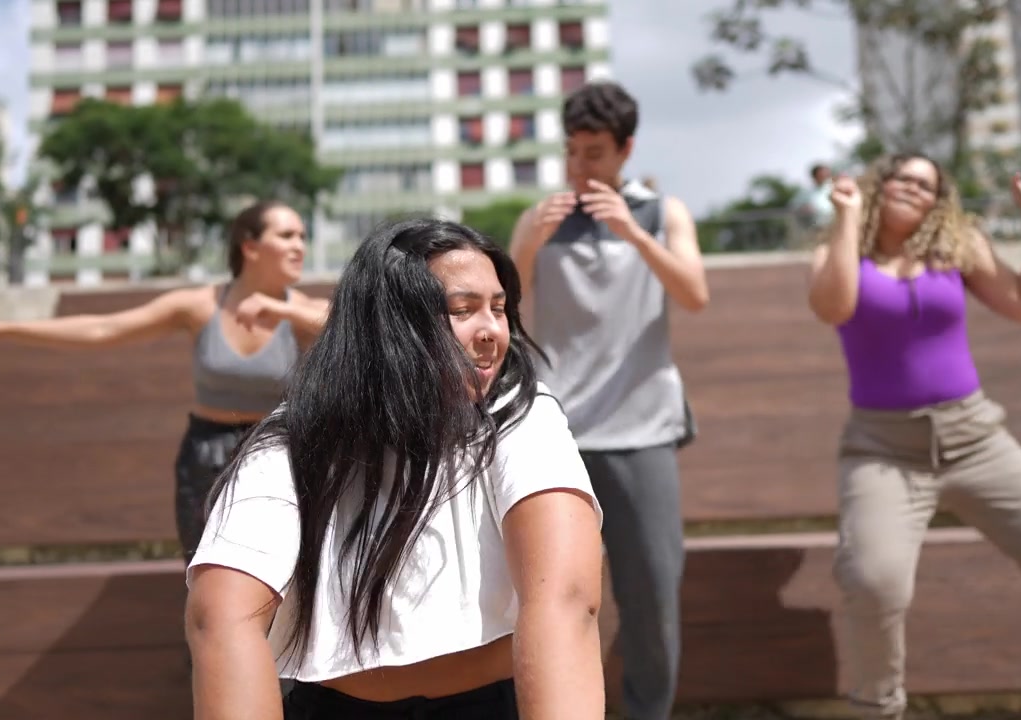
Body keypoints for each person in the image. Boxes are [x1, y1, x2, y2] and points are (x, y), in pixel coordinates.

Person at [185, 217, 606, 719]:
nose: (493, 331)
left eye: (498, 308)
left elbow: (564, 598)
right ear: (391, 325)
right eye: (462, 310)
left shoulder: (520, 413)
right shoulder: (295, 437)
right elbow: (222, 615)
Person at [808, 153, 1021, 720]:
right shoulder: (838, 251)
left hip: (974, 438)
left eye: (926, 186)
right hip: (883, 449)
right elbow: (832, 306)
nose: (912, 189)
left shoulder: (956, 247)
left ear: (938, 202)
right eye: (902, 178)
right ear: (879, 185)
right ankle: (878, 712)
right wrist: (847, 218)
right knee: (874, 582)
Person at [0, 199, 329, 564]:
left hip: (275, 451)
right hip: (206, 454)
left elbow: (341, 326)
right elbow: (103, 328)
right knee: (206, 572)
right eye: (287, 236)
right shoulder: (199, 306)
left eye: (302, 236)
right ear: (250, 247)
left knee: (279, 570)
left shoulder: (304, 312)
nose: (299, 246)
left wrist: (278, 309)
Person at [509, 80, 710, 720]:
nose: (579, 166)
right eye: (571, 152)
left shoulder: (663, 213)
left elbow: (695, 294)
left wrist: (633, 233)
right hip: (556, 437)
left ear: (626, 150)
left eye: (593, 153)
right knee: (550, 595)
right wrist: (529, 244)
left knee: (652, 594)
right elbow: (502, 308)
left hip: (642, 431)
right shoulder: (540, 218)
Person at [790, 162, 836, 232]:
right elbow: (793, 206)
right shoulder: (805, 192)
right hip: (814, 228)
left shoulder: (834, 188)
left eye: (826, 174)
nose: (824, 176)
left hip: (834, 226)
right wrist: (802, 209)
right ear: (814, 176)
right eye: (821, 174)